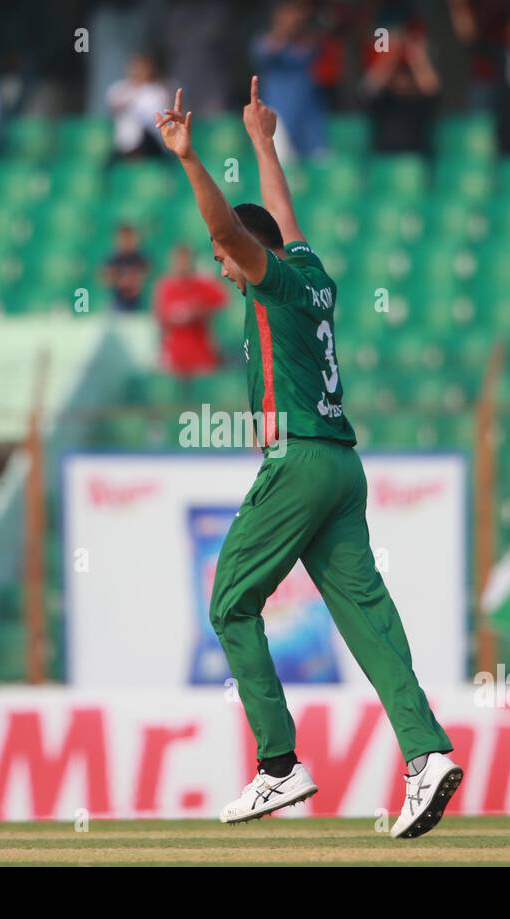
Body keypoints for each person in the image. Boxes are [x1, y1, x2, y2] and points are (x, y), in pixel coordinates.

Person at [153, 78, 462, 839]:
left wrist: (192, 160)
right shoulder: (312, 275)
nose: (225, 271)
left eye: (232, 261)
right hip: (342, 467)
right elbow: (281, 219)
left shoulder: (270, 281)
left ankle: (279, 766)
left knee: (229, 601)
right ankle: (425, 755)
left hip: (296, 461)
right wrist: (262, 140)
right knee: (366, 617)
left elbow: (232, 232)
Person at [251, 1, 327, 160]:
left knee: (321, 167)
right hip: (277, 121)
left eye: (298, 12)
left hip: (310, 121)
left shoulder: (311, 43)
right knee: (282, 174)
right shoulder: (262, 43)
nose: (296, 17)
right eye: (290, 12)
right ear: (277, 15)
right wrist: (284, 27)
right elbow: (266, 51)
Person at [362, 25, 441, 156]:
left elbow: (431, 87)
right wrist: (391, 54)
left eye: (406, 75)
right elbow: (369, 86)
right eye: (398, 75)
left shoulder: (420, 102)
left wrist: (416, 57)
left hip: (415, 164)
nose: (402, 80)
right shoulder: (383, 101)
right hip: (384, 162)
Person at [154, 245, 227, 377]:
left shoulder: (203, 284)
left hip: (201, 354)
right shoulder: (166, 287)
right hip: (175, 355)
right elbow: (161, 318)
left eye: (185, 260)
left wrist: (200, 312)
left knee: (204, 396)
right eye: (179, 261)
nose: (182, 265)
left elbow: (222, 303)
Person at [106, 53, 171, 159]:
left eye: (142, 67)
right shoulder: (120, 88)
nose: (138, 71)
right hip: (123, 141)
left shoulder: (158, 91)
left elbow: (157, 119)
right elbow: (113, 106)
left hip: (151, 140)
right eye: (135, 67)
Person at [102, 225, 151, 312]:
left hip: (139, 303)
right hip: (117, 302)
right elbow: (106, 280)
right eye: (123, 239)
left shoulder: (141, 258)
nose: (125, 242)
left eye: (128, 239)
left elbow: (147, 278)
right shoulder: (112, 259)